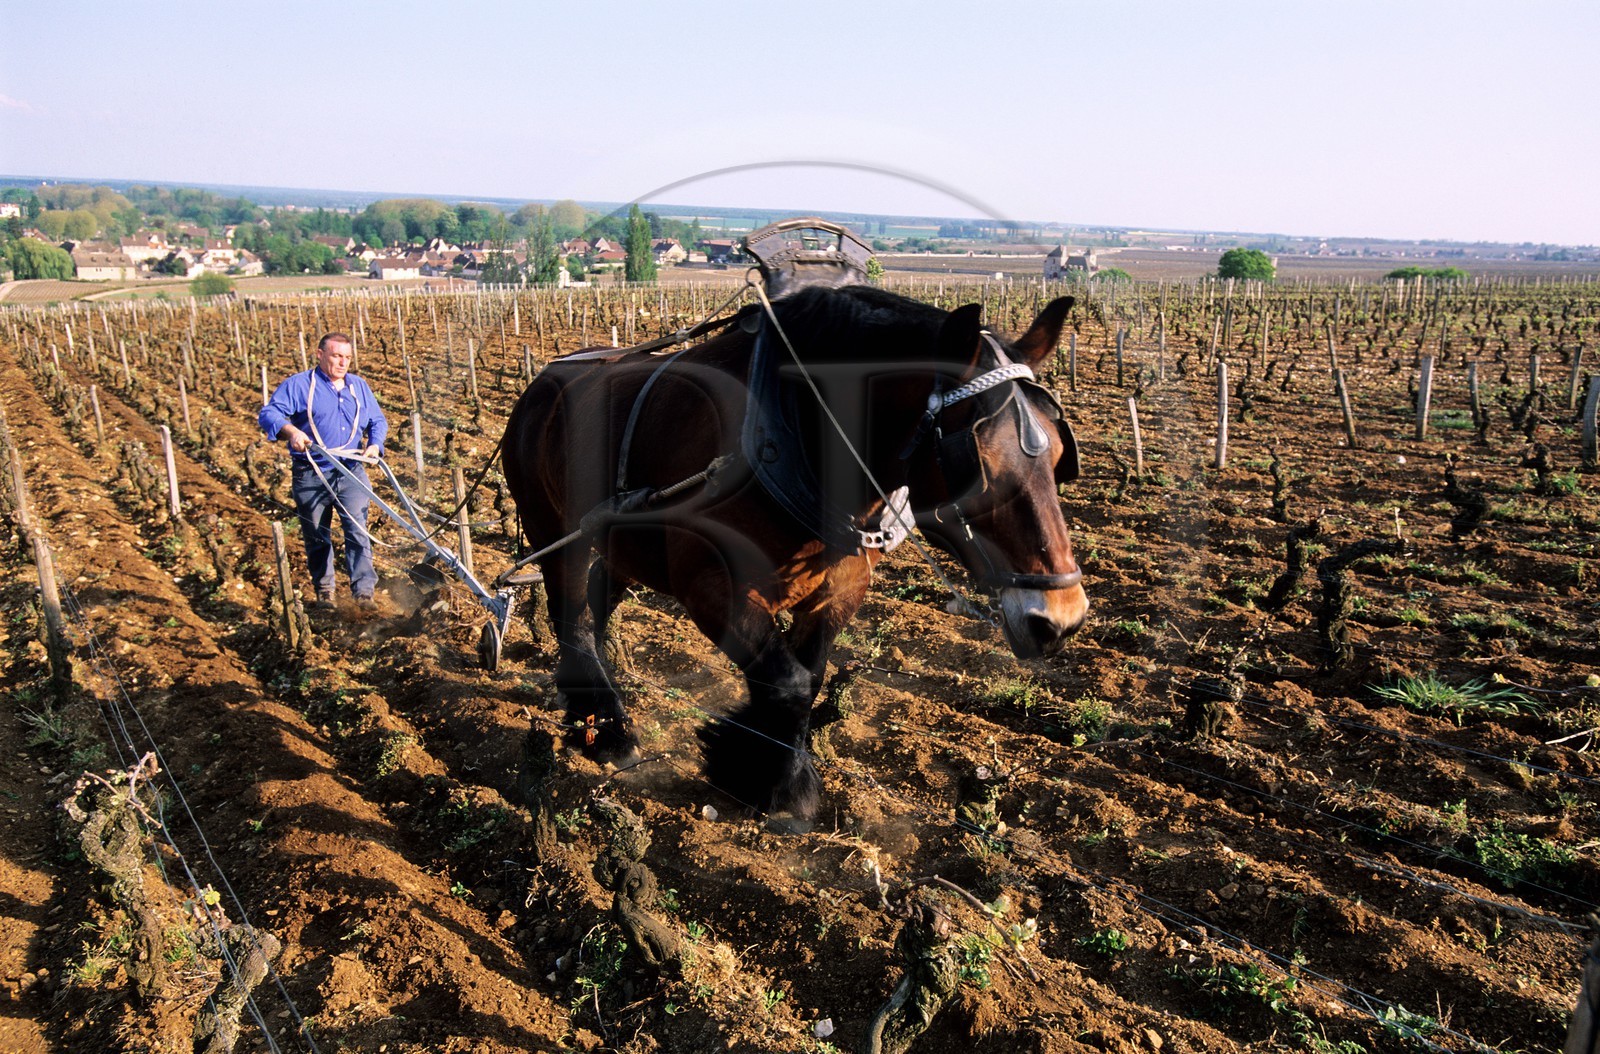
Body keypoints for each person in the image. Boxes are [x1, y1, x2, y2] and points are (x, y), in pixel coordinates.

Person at [259, 332, 389, 610]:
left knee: (357, 530)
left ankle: (364, 594)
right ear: (319, 354)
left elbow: (377, 420)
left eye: (347, 358)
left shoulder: (359, 386)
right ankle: (324, 591)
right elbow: (269, 414)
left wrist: (375, 445)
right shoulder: (299, 385)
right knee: (317, 533)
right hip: (311, 472)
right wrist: (292, 431)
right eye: (336, 356)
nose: (343, 363)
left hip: (351, 470)